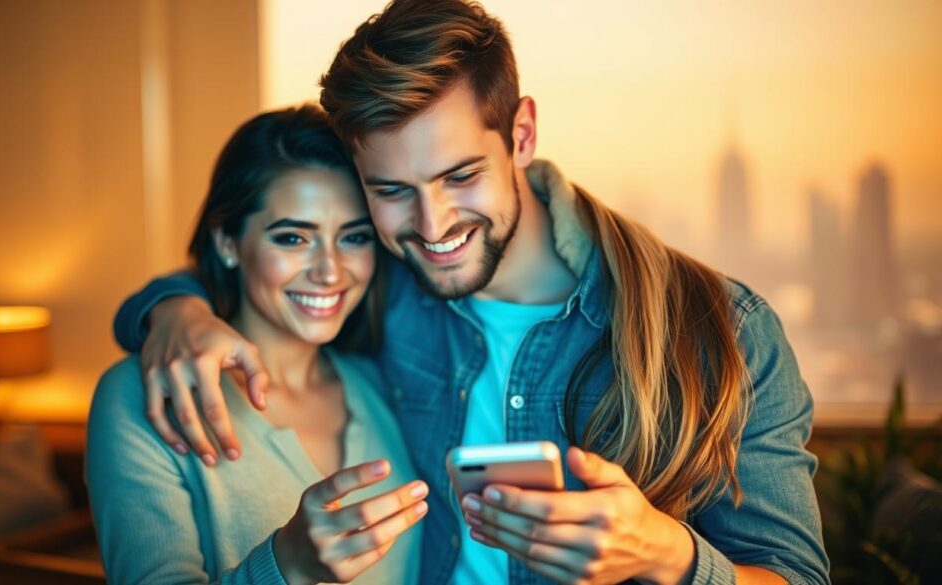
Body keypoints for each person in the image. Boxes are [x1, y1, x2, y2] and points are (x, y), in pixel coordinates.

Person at [112, 1, 830, 583]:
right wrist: (174, 310)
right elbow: (276, 267)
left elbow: (795, 575)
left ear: (520, 134)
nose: (432, 226)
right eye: (391, 192)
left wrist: (668, 556)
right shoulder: (389, 279)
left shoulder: (722, 328)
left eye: (460, 176)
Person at [87, 105, 425, 585]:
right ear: (227, 241)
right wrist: (287, 565)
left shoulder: (381, 380)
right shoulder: (140, 395)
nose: (330, 272)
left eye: (354, 237)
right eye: (292, 238)